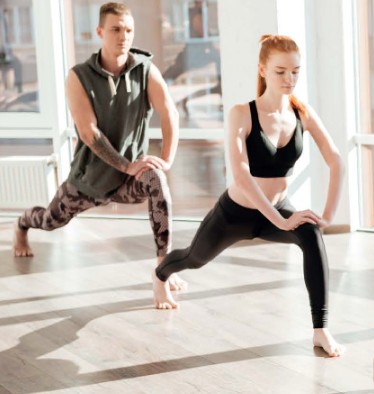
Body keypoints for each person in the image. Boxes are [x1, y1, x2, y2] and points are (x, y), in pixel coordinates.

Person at [151, 34, 346, 357]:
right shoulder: (242, 114)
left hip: (278, 210)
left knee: (311, 235)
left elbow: (336, 159)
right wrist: (281, 222)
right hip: (235, 214)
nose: (290, 79)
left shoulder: (302, 114)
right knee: (194, 259)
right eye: (281, 71)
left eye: (295, 71)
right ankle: (160, 274)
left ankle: (320, 330)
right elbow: (241, 174)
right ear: (262, 70)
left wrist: (327, 216)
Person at [12, 2, 186, 291]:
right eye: (116, 29)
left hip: (128, 180)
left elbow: (169, 113)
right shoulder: (78, 76)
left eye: (129, 30)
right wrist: (126, 164)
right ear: (99, 32)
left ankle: (163, 265)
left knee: (157, 179)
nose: (124, 36)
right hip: (88, 181)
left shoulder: (146, 69)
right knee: (50, 220)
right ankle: (21, 225)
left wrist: (166, 159)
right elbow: (89, 132)